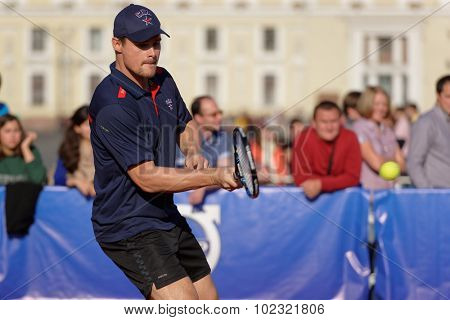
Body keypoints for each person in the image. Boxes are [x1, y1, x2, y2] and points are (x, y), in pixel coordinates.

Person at [88, 4, 240, 300]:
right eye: (143, 44)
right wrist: (215, 176)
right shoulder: (112, 105)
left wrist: (193, 149)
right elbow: (147, 178)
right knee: (185, 309)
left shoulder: (163, 79)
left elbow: (186, 124)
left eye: (156, 43)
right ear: (117, 45)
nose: (152, 52)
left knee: (210, 303)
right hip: (127, 225)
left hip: (164, 213)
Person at [291, 101, 361, 199]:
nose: (329, 127)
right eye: (324, 122)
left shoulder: (350, 137)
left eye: (333, 121)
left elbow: (353, 177)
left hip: (344, 202)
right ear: (314, 123)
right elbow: (301, 178)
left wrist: (321, 184)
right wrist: (337, 181)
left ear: (341, 121)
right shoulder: (301, 139)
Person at [353, 86, 405, 189]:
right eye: (376, 104)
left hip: (389, 191)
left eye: (385, 104)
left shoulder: (388, 130)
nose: (381, 108)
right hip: (368, 193)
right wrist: (393, 161)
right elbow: (376, 164)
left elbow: (402, 165)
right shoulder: (359, 128)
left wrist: (387, 162)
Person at [185, 96, 232, 206]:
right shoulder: (182, 137)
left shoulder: (223, 137)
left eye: (219, 113)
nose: (219, 117)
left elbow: (224, 172)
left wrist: (203, 188)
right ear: (198, 118)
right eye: (213, 115)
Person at [407, 75, 450, 188]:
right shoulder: (426, 123)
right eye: (448, 97)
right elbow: (414, 163)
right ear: (438, 96)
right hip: (437, 195)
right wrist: (429, 194)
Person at [55, 106, 95, 196]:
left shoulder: (107, 148)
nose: (93, 127)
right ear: (77, 128)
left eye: (95, 122)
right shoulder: (69, 149)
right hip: (75, 202)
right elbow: (58, 178)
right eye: (87, 124)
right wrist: (75, 182)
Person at [0, 114, 46, 185]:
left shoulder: (31, 151)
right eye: (7, 131)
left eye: (16, 130)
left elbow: (39, 179)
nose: (12, 136)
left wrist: (25, 147)